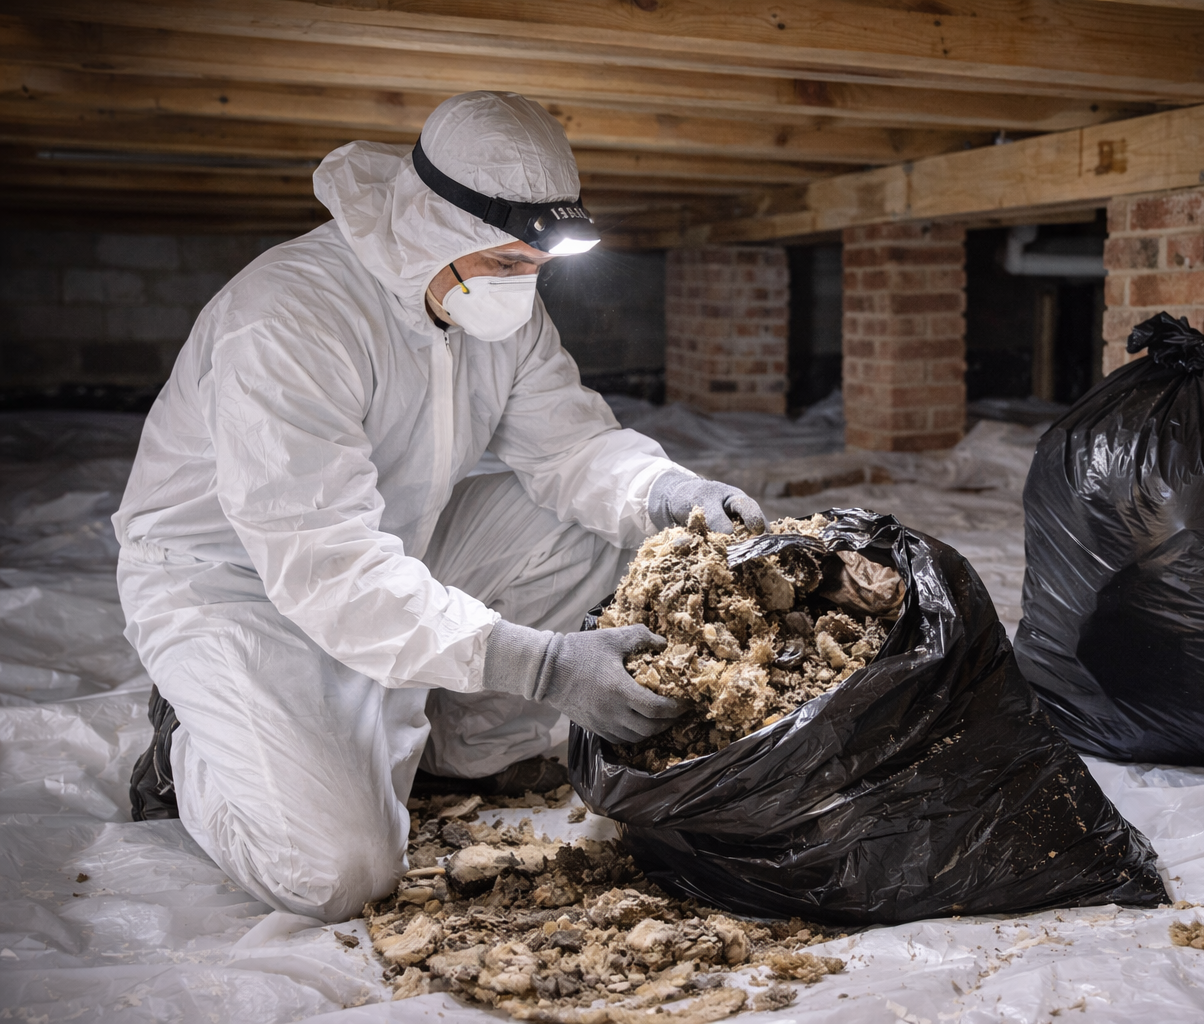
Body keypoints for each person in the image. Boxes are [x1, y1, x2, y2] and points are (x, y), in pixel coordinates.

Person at [111, 92, 765, 923]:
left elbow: (567, 449)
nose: (523, 288)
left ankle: (455, 750)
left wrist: (671, 493)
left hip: (398, 537)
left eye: (537, 267)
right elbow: (324, 560)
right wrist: (544, 665)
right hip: (237, 578)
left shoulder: (497, 313)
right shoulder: (289, 318)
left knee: (609, 539)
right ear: (433, 233)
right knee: (337, 871)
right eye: (504, 265)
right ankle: (186, 746)